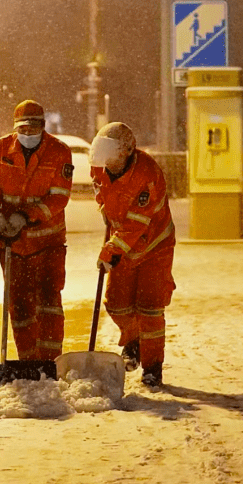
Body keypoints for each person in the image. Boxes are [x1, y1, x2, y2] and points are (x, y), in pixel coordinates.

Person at [0, 100, 74, 361]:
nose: (28, 134)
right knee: (19, 306)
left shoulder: (59, 152)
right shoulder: (1, 148)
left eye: (34, 129)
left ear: (43, 127)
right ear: (15, 128)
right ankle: (27, 361)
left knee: (48, 304)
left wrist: (26, 217)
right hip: (13, 244)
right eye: (23, 129)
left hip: (48, 244)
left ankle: (50, 360)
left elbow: (59, 197)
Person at [89, 121, 176, 387]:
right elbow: (101, 195)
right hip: (123, 246)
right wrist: (104, 210)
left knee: (149, 308)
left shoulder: (147, 175)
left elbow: (137, 223)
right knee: (117, 303)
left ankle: (152, 367)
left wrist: (111, 249)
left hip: (154, 247)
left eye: (112, 155)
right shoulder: (100, 169)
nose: (107, 163)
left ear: (127, 151)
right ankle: (134, 340)